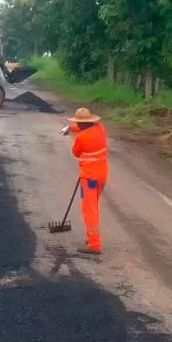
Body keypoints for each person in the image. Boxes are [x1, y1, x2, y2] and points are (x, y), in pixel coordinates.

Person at [65, 107, 108, 254]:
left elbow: (76, 153)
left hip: (90, 177)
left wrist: (72, 131)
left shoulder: (81, 138)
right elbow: (84, 127)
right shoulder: (100, 128)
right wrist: (71, 128)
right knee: (93, 205)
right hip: (102, 173)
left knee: (89, 210)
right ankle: (91, 238)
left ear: (81, 124)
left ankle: (94, 244)